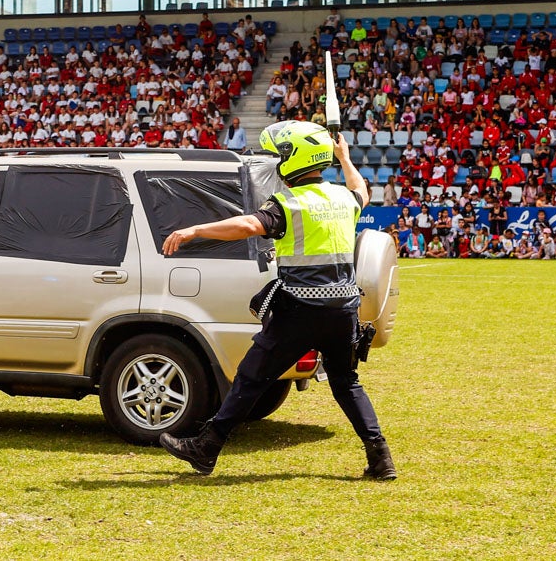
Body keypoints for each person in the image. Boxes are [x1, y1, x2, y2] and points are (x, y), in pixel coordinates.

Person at [157, 121, 395, 480]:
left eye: (277, 155)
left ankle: (207, 448)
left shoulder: (289, 203)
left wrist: (195, 230)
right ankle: (381, 458)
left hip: (299, 310)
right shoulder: (343, 199)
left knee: (252, 377)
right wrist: (345, 158)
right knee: (346, 383)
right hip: (344, 308)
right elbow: (360, 188)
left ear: (292, 158)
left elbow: (247, 226)